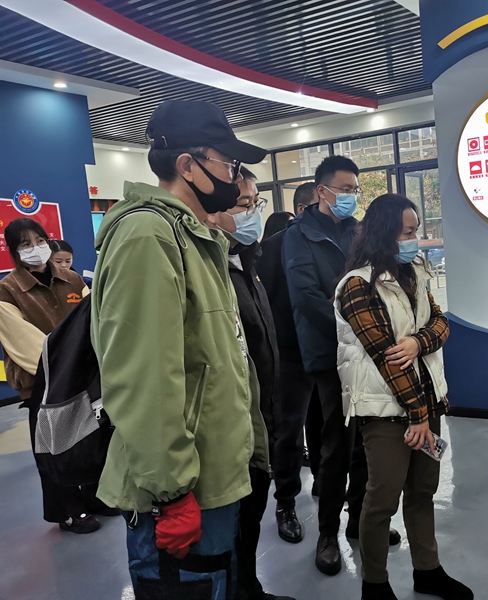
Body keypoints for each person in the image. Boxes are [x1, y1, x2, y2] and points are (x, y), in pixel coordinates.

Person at [91, 100, 270, 600]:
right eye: (228, 164)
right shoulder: (148, 234)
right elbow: (144, 378)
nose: (236, 178)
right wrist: (171, 493)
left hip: (212, 475)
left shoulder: (194, 236)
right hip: (180, 490)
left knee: (215, 582)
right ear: (188, 165)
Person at [334, 194, 474, 600]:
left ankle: (427, 570)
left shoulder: (414, 274)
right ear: (385, 234)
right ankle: (375, 584)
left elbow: (441, 323)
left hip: (426, 404)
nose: (415, 239)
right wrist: (416, 415)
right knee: (381, 501)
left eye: (415, 231)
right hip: (386, 412)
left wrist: (417, 341)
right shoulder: (357, 286)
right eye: (408, 232)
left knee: (422, 492)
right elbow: (386, 358)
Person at [282, 156, 400, 575]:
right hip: (328, 352)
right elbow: (306, 297)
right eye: (345, 189)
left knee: (368, 440)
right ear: (322, 191)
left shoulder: (358, 231)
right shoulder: (298, 236)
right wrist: (355, 327)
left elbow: (374, 281)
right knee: (337, 445)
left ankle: (358, 520)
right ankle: (328, 534)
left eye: (355, 189)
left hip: (366, 351)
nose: (351, 196)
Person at [206, 167, 293, 600]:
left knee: (252, 517)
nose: (253, 213)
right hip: (232, 426)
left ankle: (249, 589)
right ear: (213, 211)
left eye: (256, 203)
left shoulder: (247, 262)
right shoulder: (209, 272)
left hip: (262, 418)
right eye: (244, 204)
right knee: (233, 526)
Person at [0, 219, 108, 534]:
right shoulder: (7, 290)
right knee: (52, 445)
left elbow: (95, 321)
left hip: (83, 377)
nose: (35, 248)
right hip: (41, 382)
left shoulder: (72, 279)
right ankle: (67, 510)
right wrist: (71, 361)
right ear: (14, 251)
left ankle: (96, 496)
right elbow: (22, 342)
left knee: (93, 436)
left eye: (40, 240)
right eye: (25, 244)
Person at [258, 182, 320, 544]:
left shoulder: (328, 243)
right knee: (290, 433)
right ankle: (285, 503)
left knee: (326, 426)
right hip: (289, 354)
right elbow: (265, 302)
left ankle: (325, 484)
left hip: (325, 351)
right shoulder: (272, 247)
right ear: (301, 209)